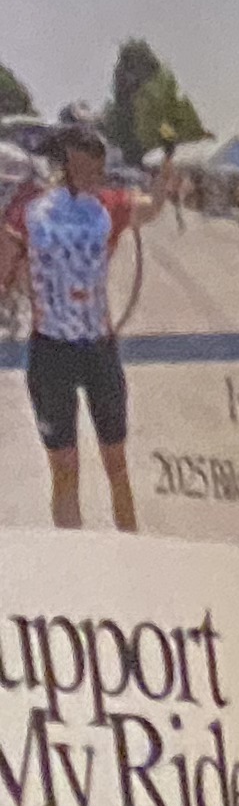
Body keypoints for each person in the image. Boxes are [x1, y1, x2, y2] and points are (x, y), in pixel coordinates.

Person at [2, 126, 144, 532]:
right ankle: (74, 566)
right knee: (65, 470)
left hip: (98, 349)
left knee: (117, 463)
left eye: (98, 165)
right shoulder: (28, 209)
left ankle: (134, 556)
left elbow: (146, 209)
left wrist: (168, 182)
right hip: (51, 352)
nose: (95, 172)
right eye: (87, 164)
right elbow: (4, 273)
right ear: (67, 163)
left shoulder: (104, 205)